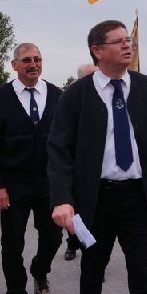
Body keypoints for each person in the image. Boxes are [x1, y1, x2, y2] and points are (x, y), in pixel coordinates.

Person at [48, 20, 147, 294]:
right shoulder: (76, 95)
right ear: (97, 50)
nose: (127, 45)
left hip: (139, 199)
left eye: (128, 40)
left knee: (143, 274)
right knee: (93, 271)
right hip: (96, 200)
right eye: (119, 41)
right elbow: (58, 150)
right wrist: (62, 199)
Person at [0, 43, 63, 294]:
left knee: (53, 238)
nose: (33, 64)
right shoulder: (1, 99)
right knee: (12, 244)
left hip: (49, 184)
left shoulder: (56, 95)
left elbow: (67, 141)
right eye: (27, 60)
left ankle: (40, 270)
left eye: (37, 59)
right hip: (13, 185)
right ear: (14, 64)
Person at [64, 63, 99, 263]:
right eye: (92, 75)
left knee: (95, 214)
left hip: (96, 167)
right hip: (74, 166)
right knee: (74, 210)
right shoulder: (70, 100)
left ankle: (93, 258)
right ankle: (72, 243)